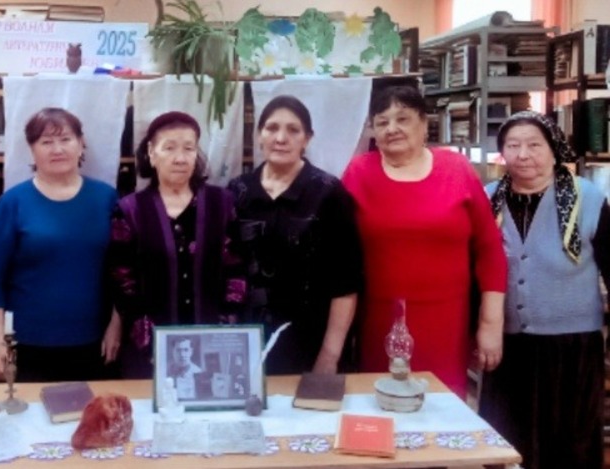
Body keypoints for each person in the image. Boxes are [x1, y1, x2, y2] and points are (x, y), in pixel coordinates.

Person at [342, 85, 507, 399]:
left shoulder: (457, 169)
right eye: (382, 122)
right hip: (377, 321)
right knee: (381, 405)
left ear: (424, 124)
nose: (392, 129)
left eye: (402, 119)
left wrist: (490, 322)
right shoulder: (358, 172)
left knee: (442, 407)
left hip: (447, 321)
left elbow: (490, 250)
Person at [479, 111, 610, 469]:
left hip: (572, 346)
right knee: (508, 440)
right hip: (508, 344)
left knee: (568, 443)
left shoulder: (588, 197)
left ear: (554, 149)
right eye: (512, 145)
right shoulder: (488, 198)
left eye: (534, 145)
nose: (523, 155)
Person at [0, 107, 120, 383]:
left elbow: (123, 271)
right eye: (46, 142)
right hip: (26, 343)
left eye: (66, 139)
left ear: (81, 144)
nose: (57, 149)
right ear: (32, 150)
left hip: (95, 341)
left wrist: (117, 325)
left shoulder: (107, 198)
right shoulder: (13, 203)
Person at [227, 95, 363, 375]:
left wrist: (329, 357)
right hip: (244, 341)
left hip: (310, 342)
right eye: (272, 128)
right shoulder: (237, 191)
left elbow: (346, 283)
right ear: (259, 135)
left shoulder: (328, 193)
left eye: (293, 130)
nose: (281, 138)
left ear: (307, 139)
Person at [108, 111, 245, 377]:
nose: (180, 158)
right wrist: (150, 340)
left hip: (214, 346)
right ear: (152, 152)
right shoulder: (130, 209)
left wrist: (224, 329)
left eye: (188, 148)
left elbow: (236, 270)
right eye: (169, 148)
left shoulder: (222, 203)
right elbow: (122, 279)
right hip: (148, 351)